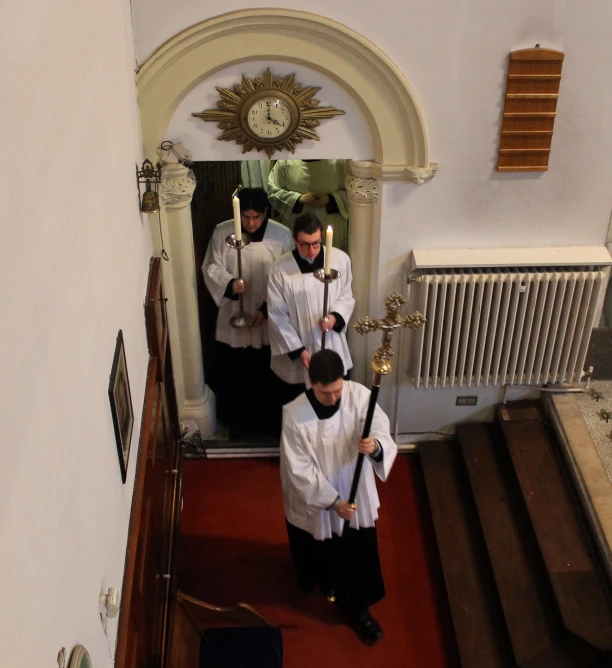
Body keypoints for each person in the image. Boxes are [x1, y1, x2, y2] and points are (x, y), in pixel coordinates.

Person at [280, 350, 397, 643]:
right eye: (325, 392)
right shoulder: (294, 414)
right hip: (319, 494)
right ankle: (312, 576)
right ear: (311, 383)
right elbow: (300, 469)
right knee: (315, 545)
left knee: (354, 551)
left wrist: (376, 446)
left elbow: (380, 428)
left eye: (337, 390)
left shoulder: (359, 396)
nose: (333, 399)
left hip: (353, 488)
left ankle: (356, 606)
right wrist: (332, 502)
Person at [202, 187, 293, 440]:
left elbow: (288, 277)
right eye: (245, 217)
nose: (251, 223)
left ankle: (268, 424)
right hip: (234, 314)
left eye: (257, 217)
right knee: (237, 374)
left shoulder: (281, 235)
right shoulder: (223, 232)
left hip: (267, 315)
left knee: (265, 373)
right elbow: (210, 267)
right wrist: (229, 284)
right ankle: (239, 424)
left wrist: (265, 309)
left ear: (266, 213)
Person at [267, 213, 354, 417]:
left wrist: (335, 317)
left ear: (322, 237)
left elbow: (346, 295)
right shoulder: (280, 269)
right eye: (304, 244)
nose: (312, 250)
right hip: (299, 349)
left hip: (331, 342)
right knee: (299, 408)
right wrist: (298, 351)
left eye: (316, 243)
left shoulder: (340, 260)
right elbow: (277, 314)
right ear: (295, 240)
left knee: (333, 401)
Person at [268, 159, 350, 252]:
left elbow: (355, 192)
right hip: (297, 223)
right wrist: (298, 199)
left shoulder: (338, 161)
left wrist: (330, 199)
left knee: (331, 260)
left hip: (331, 224)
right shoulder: (285, 161)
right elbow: (272, 191)